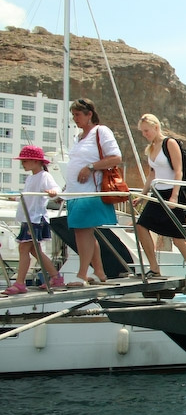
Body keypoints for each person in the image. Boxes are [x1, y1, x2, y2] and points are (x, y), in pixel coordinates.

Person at [133, 113, 186, 286]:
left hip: (172, 192)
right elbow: (152, 174)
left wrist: (175, 195)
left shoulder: (169, 143)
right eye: (142, 131)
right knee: (141, 225)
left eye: (147, 130)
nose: (145, 134)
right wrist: (143, 196)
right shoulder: (151, 148)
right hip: (157, 193)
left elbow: (178, 170)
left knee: (178, 239)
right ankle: (154, 267)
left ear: (156, 127)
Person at [65, 97, 121, 287]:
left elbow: (116, 157)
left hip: (89, 191)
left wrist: (90, 167)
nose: (75, 118)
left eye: (78, 115)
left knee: (83, 231)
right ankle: (99, 271)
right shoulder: (79, 137)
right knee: (84, 232)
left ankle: (82, 274)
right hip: (75, 192)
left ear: (89, 114)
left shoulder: (101, 131)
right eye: (73, 115)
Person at [3, 146, 62, 294]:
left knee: (24, 248)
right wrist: (16, 198)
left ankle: (20, 283)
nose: (22, 164)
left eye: (25, 161)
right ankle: (56, 277)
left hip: (35, 219)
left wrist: (53, 192)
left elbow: (56, 189)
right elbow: (28, 196)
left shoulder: (44, 176)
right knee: (35, 251)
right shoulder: (31, 178)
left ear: (36, 161)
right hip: (29, 218)